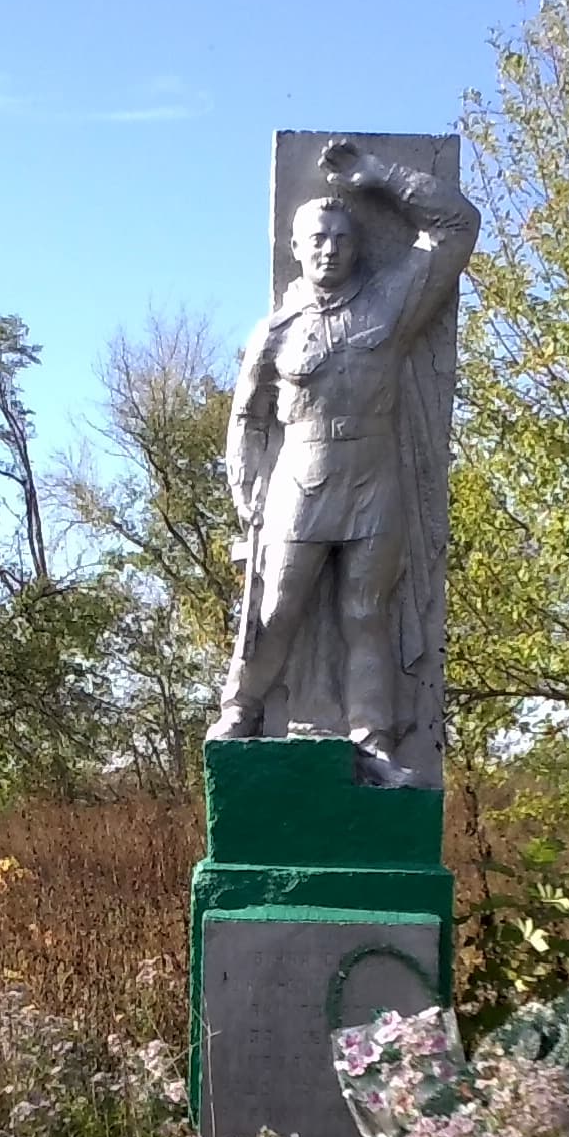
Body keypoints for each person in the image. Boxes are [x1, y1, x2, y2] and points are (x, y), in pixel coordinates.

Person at [206, 138, 477, 782]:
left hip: (373, 477)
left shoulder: (390, 302)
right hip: (299, 475)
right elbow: (247, 418)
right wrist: (247, 493)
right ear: (296, 248)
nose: (329, 248)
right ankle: (241, 709)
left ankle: (373, 741)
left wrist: (377, 177)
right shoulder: (274, 331)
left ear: (357, 248)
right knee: (276, 606)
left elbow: (457, 225)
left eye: (341, 238)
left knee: (365, 613)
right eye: (316, 238)